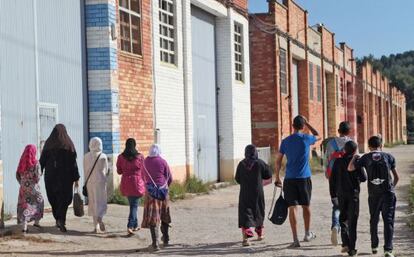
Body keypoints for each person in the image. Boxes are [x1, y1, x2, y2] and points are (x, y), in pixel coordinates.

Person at [274, 115, 321, 247]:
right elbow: (318, 135)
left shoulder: (285, 141)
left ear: (292, 126)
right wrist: (308, 123)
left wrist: (277, 177)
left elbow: (278, 161)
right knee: (306, 205)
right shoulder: (307, 138)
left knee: (292, 207)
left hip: (289, 179)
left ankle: (295, 239)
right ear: (303, 126)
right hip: (304, 178)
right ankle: (307, 233)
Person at [348, 136, 399, 257]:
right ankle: (388, 249)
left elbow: (350, 168)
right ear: (381, 145)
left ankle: (374, 246)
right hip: (388, 193)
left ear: (369, 146)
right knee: (388, 221)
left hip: (373, 195)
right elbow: (396, 177)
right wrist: (391, 188)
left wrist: (355, 157)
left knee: (374, 220)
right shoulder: (389, 157)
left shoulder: (365, 157)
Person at [40, 124, 80, 233]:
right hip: (66, 178)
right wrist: (76, 178)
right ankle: (61, 219)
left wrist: (39, 172)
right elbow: (73, 164)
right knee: (64, 199)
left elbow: (41, 161)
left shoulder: (48, 144)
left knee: (53, 199)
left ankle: (58, 218)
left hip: (51, 177)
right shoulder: (68, 145)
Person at [330, 141, 367, 256]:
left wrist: (333, 195)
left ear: (344, 150)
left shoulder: (337, 162)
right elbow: (364, 178)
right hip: (353, 195)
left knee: (342, 218)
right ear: (355, 151)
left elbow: (332, 180)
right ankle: (352, 248)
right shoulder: (356, 161)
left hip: (340, 194)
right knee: (353, 221)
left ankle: (345, 243)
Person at [235, 144, 272, 247]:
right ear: (255, 152)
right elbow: (268, 174)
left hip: (245, 193)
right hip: (258, 193)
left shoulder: (241, 164)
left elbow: (237, 179)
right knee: (258, 210)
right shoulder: (260, 163)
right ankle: (259, 234)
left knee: (245, 213)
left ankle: (246, 239)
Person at [324, 121, 352, 245]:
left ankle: (335, 225)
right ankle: (347, 232)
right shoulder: (352, 143)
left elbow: (326, 158)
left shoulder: (331, 143)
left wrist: (326, 172)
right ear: (349, 131)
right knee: (349, 205)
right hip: (348, 178)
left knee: (336, 204)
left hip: (334, 176)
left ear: (339, 131)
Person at [141, 144, 173, 251]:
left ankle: (155, 244)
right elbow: (170, 177)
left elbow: (142, 176)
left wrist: (149, 186)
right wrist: (164, 187)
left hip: (151, 194)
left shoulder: (145, 162)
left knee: (153, 217)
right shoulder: (163, 161)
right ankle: (166, 239)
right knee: (164, 214)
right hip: (163, 192)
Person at [116, 138, 146, 235]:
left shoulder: (121, 157)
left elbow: (119, 171)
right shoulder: (140, 157)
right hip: (137, 183)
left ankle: (135, 225)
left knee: (133, 204)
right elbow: (144, 170)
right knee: (134, 206)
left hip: (126, 183)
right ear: (135, 145)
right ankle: (130, 225)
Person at [16, 144, 44, 233]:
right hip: (33, 188)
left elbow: (17, 175)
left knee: (24, 206)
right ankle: (36, 222)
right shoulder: (36, 163)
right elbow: (38, 176)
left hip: (23, 188)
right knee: (39, 202)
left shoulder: (21, 162)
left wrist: (22, 183)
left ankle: (24, 227)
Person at [83, 137, 109, 233]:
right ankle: (100, 218)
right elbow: (105, 170)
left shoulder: (86, 156)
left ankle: (96, 226)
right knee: (101, 201)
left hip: (90, 182)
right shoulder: (103, 156)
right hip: (100, 182)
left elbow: (85, 170)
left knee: (93, 202)